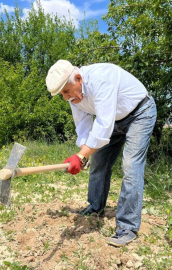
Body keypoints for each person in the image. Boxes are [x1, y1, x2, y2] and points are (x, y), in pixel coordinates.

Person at [46, 60, 157, 247]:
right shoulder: (74, 96)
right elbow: (83, 127)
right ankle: (95, 207)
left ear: (79, 78)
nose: (65, 98)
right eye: (62, 95)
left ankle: (127, 227)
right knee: (98, 160)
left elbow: (104, 123)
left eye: (66, 91)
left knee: (130, 166)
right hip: (115, 119)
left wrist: (82, 156)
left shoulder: (102, 78)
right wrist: (83, 154)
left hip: (140, 113)